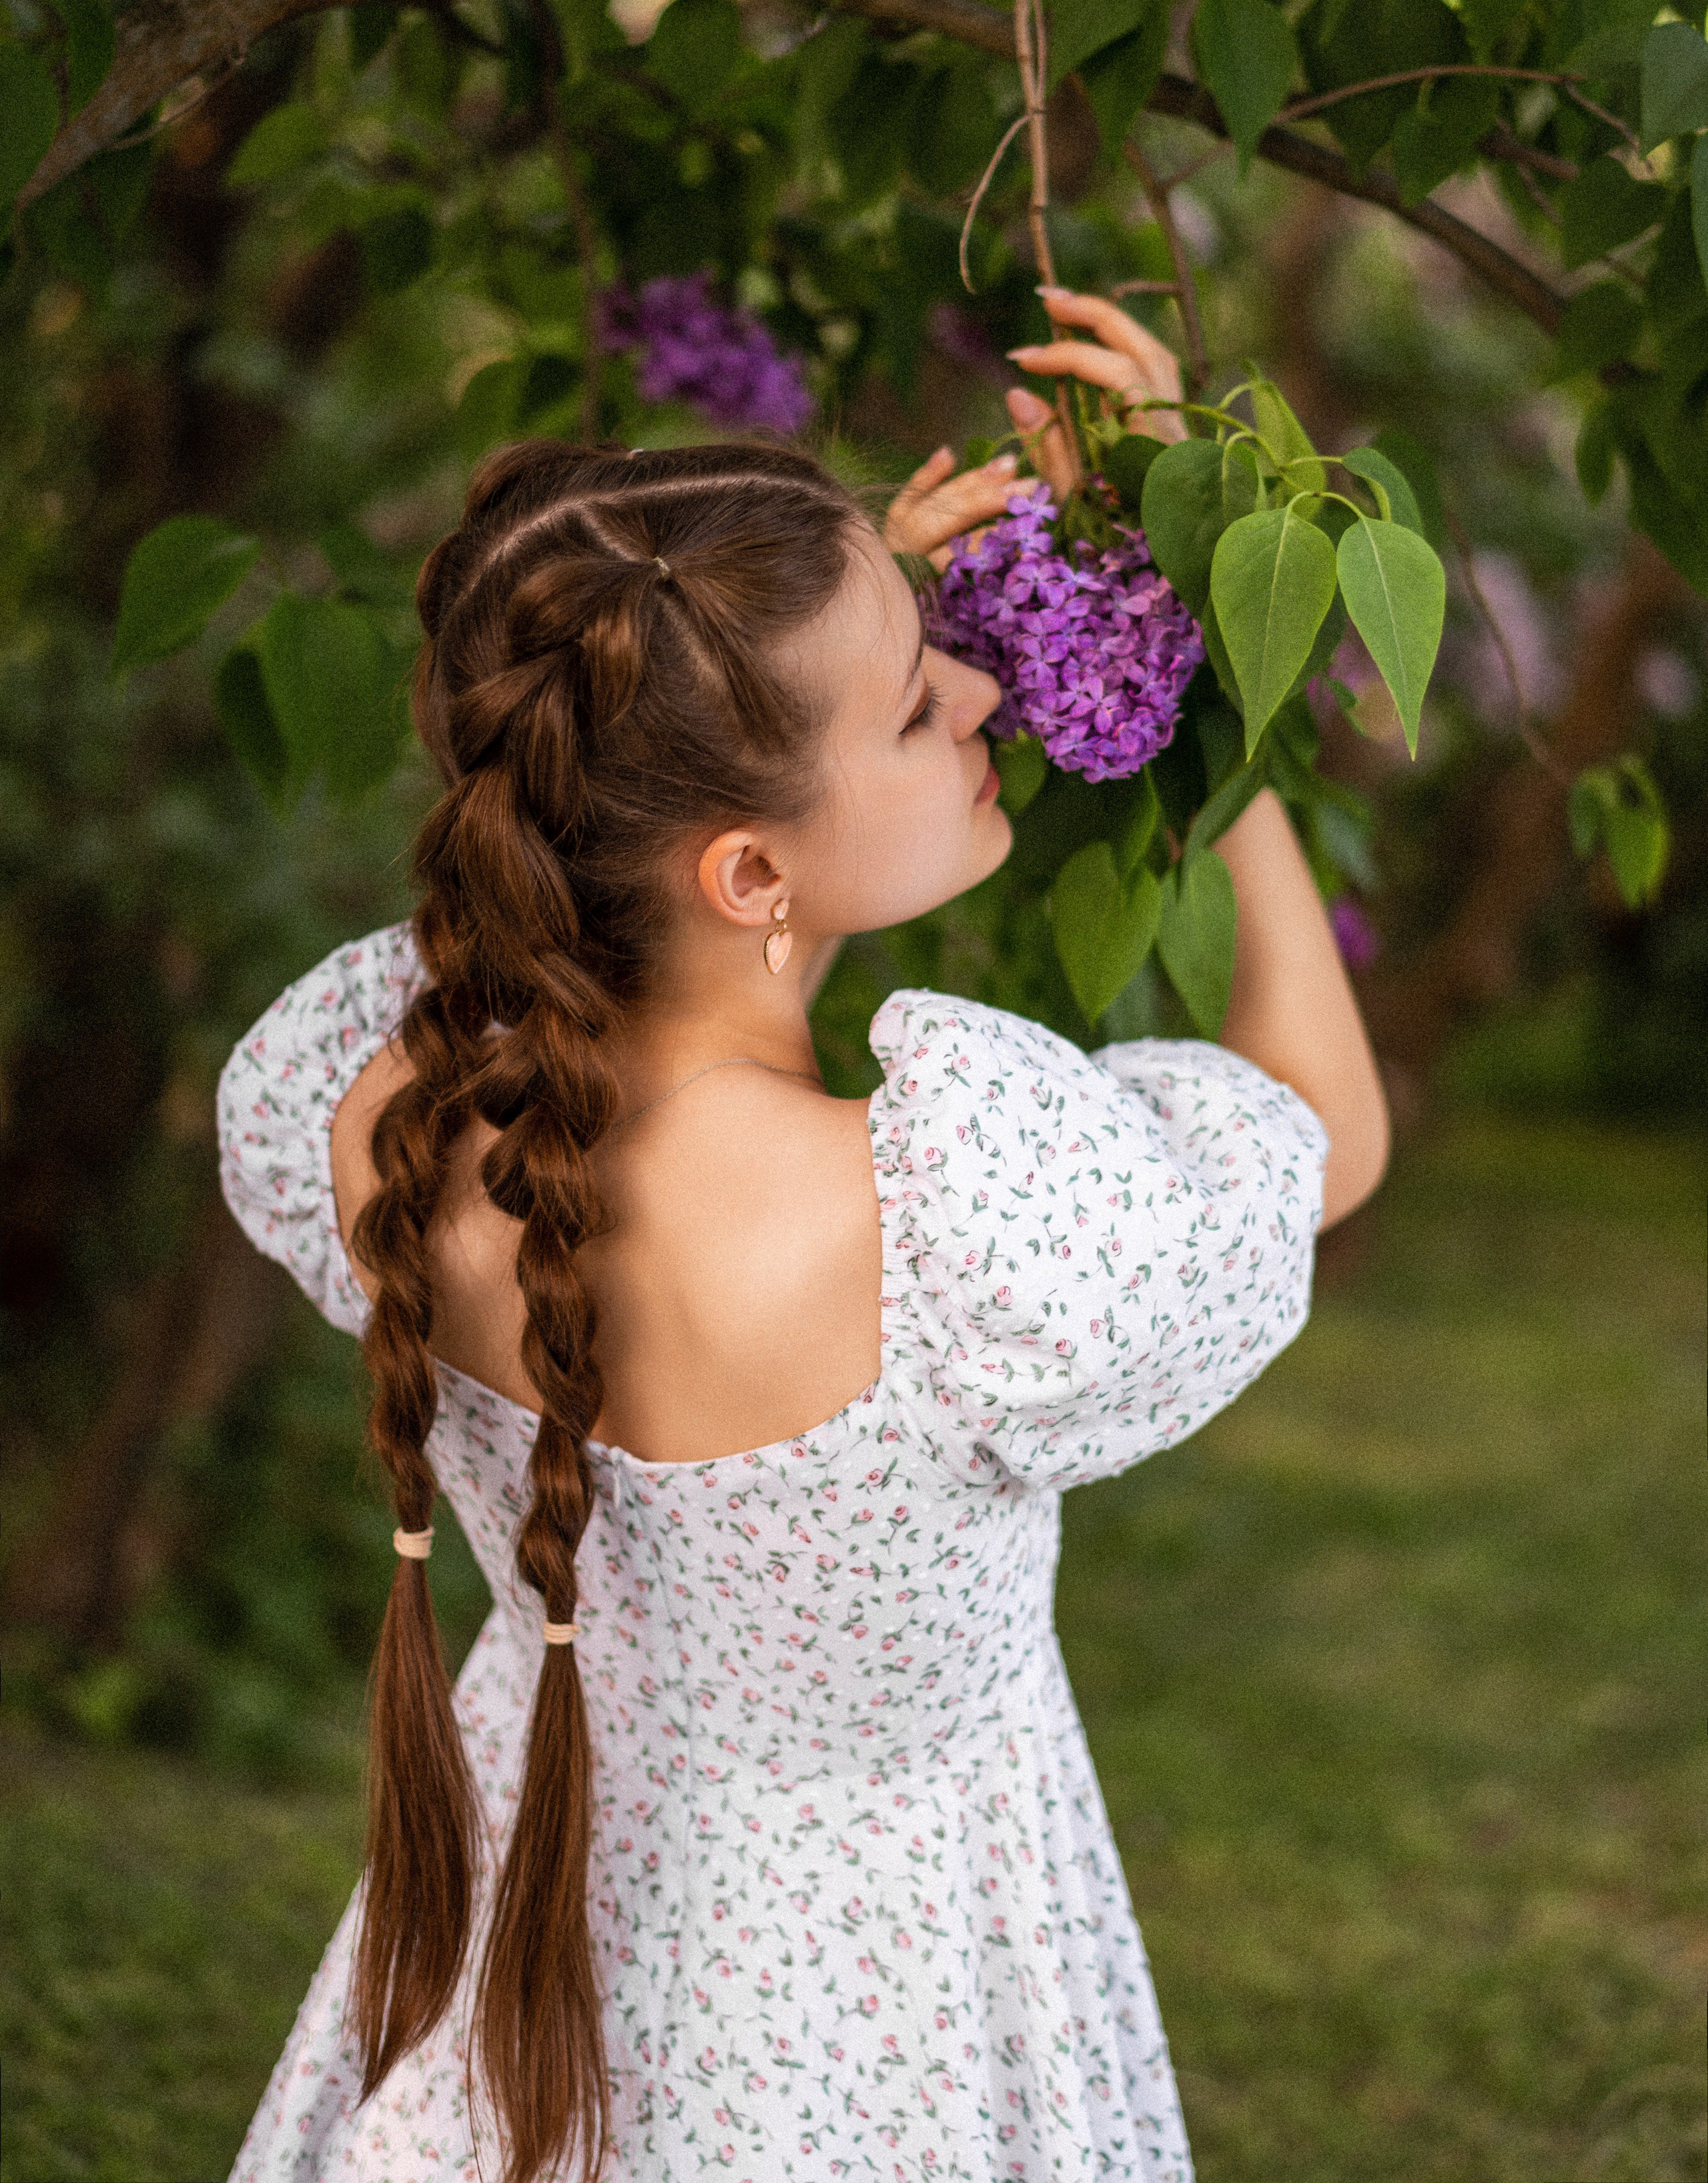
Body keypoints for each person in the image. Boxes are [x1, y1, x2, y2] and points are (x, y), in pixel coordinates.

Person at [218, 291, 1389, 2183]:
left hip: (539, 1917)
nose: (984, 697)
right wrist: (1214, 709)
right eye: (923, 701)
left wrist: (793, 663)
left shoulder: (390, 1117)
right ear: (751, 866)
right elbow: (1320, 1132)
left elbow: (668, 944)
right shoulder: (946, 1215)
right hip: (902, 1995)